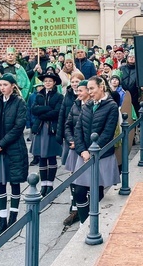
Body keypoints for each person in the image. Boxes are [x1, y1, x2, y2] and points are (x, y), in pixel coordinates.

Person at [0, 73, 28, 236]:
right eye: (0, 85)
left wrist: (1, 144)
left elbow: (18, 127)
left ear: (13, 86)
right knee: (1, 182)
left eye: (5, 85)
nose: (2, 87)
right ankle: (2, 217)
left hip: (13, 148)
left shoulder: (19, 103)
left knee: (14, 182)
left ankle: (13, 216)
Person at [72, 76, 120, 223]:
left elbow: (107, 132)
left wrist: (93, 150)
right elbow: (78, 129)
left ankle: (94, 224)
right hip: (85, 154)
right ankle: (84, 222)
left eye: (92, 88)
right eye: (88, 89)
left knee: (96, 190)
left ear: (101, 87)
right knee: (79, 191)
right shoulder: (87, 105)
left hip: (101, 154)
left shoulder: (111, 106)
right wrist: (82, 150)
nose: (90, 92)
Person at [31, 69, 63, 197]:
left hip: (51, 129)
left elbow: (57, 111)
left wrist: (43, 112)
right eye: (45, 81)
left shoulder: (59, 96)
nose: (47, 83)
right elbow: (34, 109)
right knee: (42, 157)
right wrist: (47, 109)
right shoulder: (39, 94)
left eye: (50, 81)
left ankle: (50, 184)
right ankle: (43, 184)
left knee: (51, 156)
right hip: (40, 128)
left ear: (54, 82)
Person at [62, 79, 89, 226]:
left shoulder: (90, 106)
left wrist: (79, 143)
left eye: (81, 90)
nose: (77, 93)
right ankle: (75, 208)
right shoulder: (75, 105)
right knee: (73, 178)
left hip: (84, 148)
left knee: (85, 182)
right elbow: (68, 125)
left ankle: (85, 209)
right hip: (74, 147)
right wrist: (71, 139)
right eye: (77, 90)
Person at [119, 49, 141, 116]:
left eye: (133, 57)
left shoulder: (139, 69)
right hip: (123, 92)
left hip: (135, 93)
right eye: (130, 57)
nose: (131, 58)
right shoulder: (121, 68)